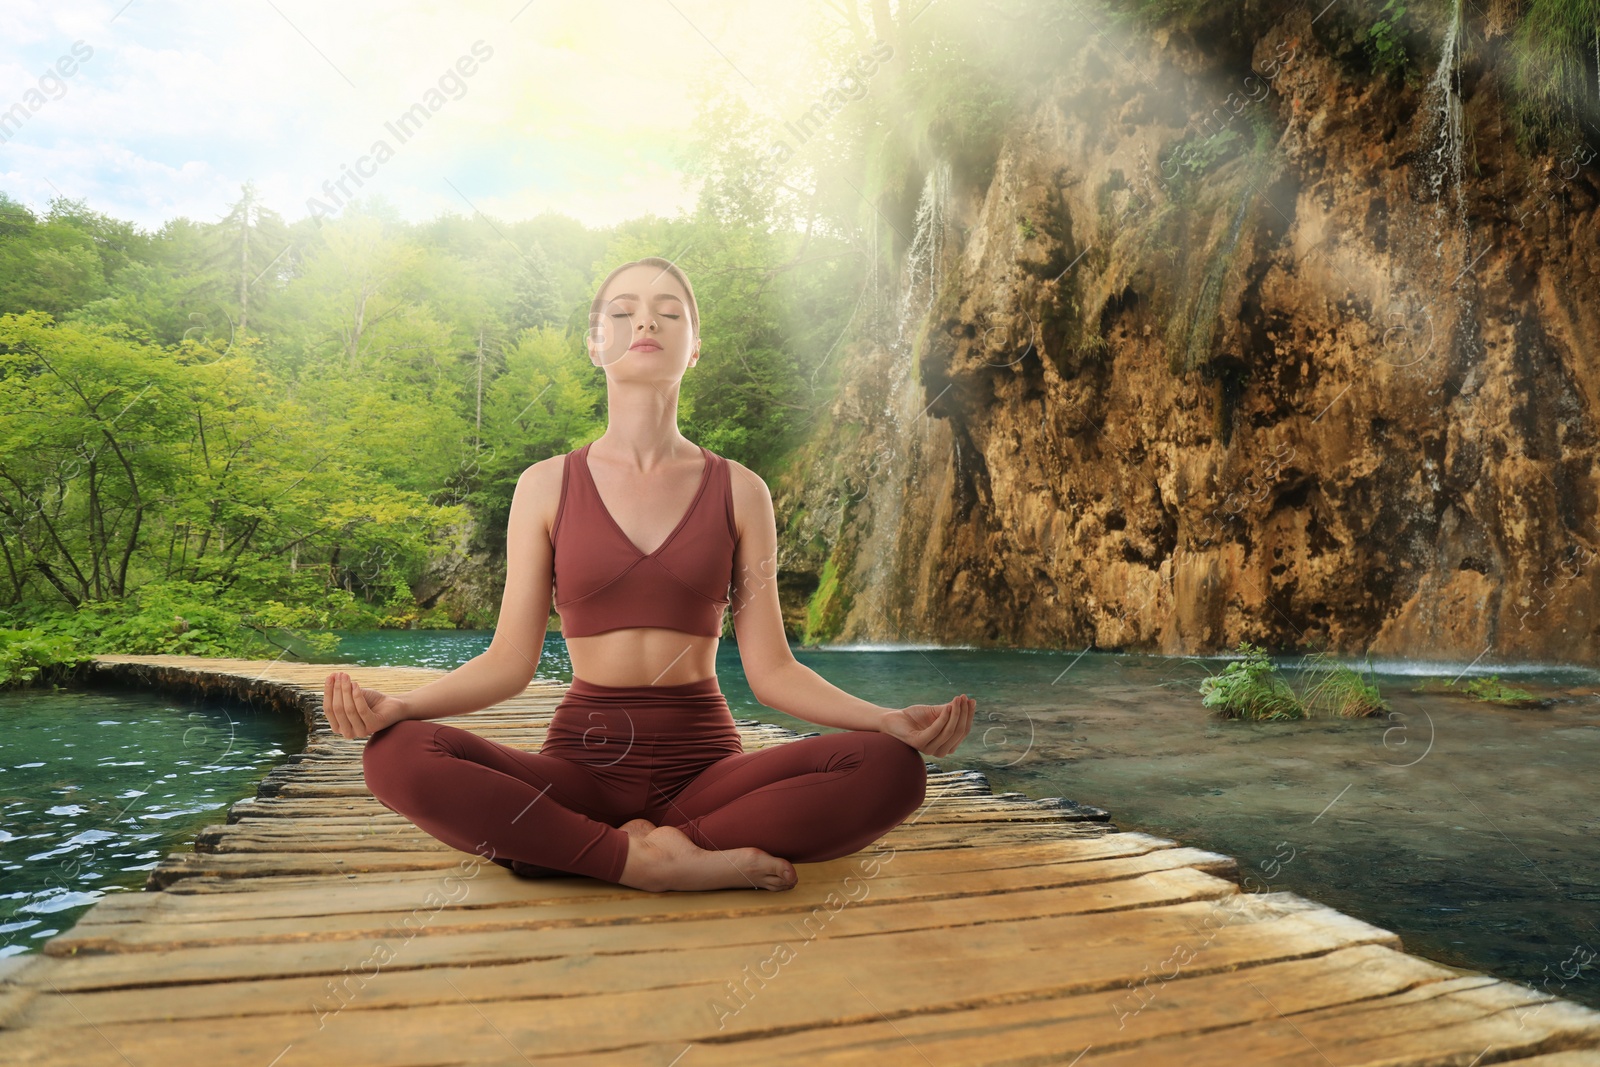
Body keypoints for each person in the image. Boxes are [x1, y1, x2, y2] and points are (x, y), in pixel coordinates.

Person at [325, 256, 975, 893]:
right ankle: (647, 862)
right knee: (397, 755)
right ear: (594, 342)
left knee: (891, 769)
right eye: (623, 311)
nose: (647, 323)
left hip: (707, 772)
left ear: (694, 349)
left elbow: (773, 672)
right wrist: (402, 706)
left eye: (670, 313)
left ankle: (572, 848)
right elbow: (508, 662)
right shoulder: (545, 485)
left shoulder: (740, 490)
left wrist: (883, 717)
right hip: (581, 766)